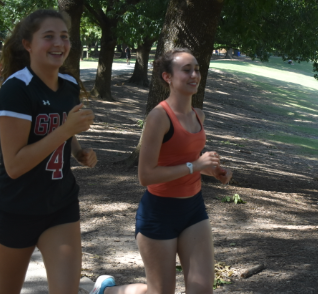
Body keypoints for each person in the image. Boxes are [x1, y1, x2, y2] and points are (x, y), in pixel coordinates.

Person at [94, 48, 233, 294]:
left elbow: (186, 162)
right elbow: (145, 176)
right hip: (159, 213)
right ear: (167, 77)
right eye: (186, 70)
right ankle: (106, 291)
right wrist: (195, 165)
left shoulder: (198, 115)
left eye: (197, 69)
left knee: (202, 290)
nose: (194, 75)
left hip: (193, 211)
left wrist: (211, 171)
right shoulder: (159, 117)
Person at [0, 9, 98, 294]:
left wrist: (77, 151)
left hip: (59, 205)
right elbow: (14, 165)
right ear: (28, 44)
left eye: (64, 36)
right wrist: (64, 130)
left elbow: (64, 135)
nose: (59, 43)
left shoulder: (69, 85)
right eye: (48, 36)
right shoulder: (16, 90)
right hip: (15, 209)